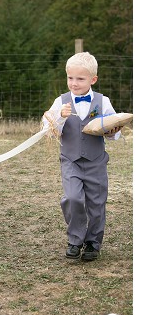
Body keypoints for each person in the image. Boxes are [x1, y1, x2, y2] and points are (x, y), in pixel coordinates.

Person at [41, 52, 122, 262]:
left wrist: (111, 130)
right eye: (70, 78)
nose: (74, 83)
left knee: (96, 202)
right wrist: (59, 117)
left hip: (96, 162)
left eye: (80, 79)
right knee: (73, 198)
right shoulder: (61, 102)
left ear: (92, 80)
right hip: (71, 161)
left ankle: (93, 242)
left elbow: (115, 130)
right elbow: (48, 130)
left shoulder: (102, 101)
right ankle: (75, 239)